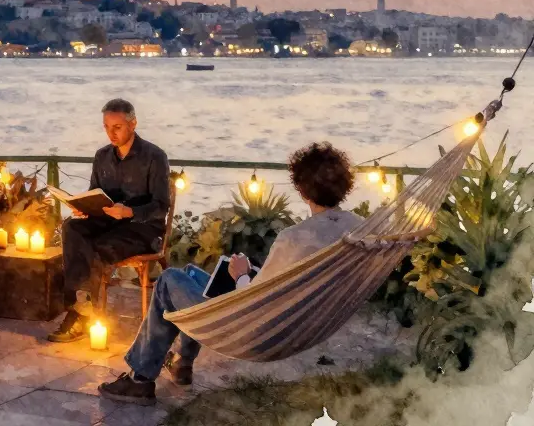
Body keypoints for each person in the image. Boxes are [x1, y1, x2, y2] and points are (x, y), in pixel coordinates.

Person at [99, 142, 365, 406]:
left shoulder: (294, 238)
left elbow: (254, 300)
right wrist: (250, 275)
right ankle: (181, 363)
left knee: (169, 281)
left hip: (256, 330)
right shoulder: (359, 229)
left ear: (303, 190)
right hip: (301, 322)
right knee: (190, 274)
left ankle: (140, 380)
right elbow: (278, 286)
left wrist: (241, 274)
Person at [47, 98, 172, 343]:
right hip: (108, 221)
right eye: (106, 127)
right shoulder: (102, 156)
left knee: (96, 247)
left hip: (142, 228)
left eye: (117, 127)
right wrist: (84, 208)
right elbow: (96, 193)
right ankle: (81, 306)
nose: (111, 133)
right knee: (72, 227)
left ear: (133, 124)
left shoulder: (154, 157)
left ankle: (80, 314)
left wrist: (130, 212)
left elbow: (161, 206)